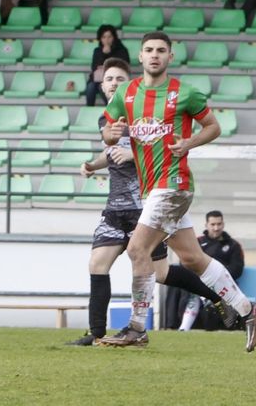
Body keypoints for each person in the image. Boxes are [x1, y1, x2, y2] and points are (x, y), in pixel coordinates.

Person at [99, 31, 256, 350]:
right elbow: (108, 133)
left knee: (136, 250)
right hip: (153, 188)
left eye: (161, 50)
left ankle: (136, 328)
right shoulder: (128, 93)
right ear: (140, 56)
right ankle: (248, 310)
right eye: (149, 50)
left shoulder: (184, 93)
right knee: (192, 258)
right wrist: (111, 132)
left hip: (174, 184)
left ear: (170, 57)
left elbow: (214, 126)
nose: (155, 55)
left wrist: (189, 142)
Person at [68, 58, 179, 346]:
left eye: (120, 79)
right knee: (97, 263)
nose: (114, 84)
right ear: (102, 85)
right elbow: (113, 152)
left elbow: (165, 149)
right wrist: (92, 165)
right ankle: (96, 334)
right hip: (116, 208)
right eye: (109, 79)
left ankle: (218, 295)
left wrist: (135, 156)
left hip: (145, 207)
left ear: (129, 84)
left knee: (163, 274)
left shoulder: (142, 112)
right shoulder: (106, 118)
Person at [163, 210, 245, 332]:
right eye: (213, 224)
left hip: (221, 282)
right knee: (176, 285)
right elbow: (185, 261)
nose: (216, 228)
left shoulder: (233, 245)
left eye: (219, 224)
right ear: (206, 225)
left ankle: (202, 326)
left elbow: (237, 269)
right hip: (197, 279)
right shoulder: (197, 242)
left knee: (200, 290)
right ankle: (171, 326)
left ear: (223, 224)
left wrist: (215, 275)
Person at [85, 25, 129, 107]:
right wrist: (103, 54)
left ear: (114, 38)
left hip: (114, 79)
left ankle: (111, 109)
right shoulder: (97, 51)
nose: (106, 40)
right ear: (100, 39)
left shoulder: (121, 50)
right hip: (98, 80)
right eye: (104, 37)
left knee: (105, 88)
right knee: (90, 87)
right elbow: (94, 67)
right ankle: (89, 109)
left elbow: (124, 64)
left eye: (109, 37)